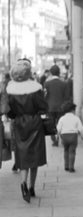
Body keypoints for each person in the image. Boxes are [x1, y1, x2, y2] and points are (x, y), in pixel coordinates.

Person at [6, 59, 49, 203]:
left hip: (19, 124)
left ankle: (23, 182)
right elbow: (43, 107)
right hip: (34, 123)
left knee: (22, 154)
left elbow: (9, 112)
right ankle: (32, 187)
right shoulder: (35, 88)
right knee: (35, 155)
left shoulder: (10, 89)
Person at [56, 101, 83, 172]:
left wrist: (57, 136)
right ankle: (71, 167)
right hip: (73, 137)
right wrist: (82, 136)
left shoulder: (62, 118)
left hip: (64, 137)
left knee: (66, 150)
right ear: (72, 110)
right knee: (72, 151)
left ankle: (66, 166)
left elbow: (58, 128)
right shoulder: (76, 118)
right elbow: (81, 128)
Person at [44, 64, 67, 146]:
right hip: (61, 107)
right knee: (60, 123)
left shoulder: (47, 83)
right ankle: (60, 138)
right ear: (59, 72)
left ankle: (54, 140)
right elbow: (66, 96)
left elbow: (45, 96)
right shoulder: (64, 83)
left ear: (51, 73)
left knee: (52, 124)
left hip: (50, 107)